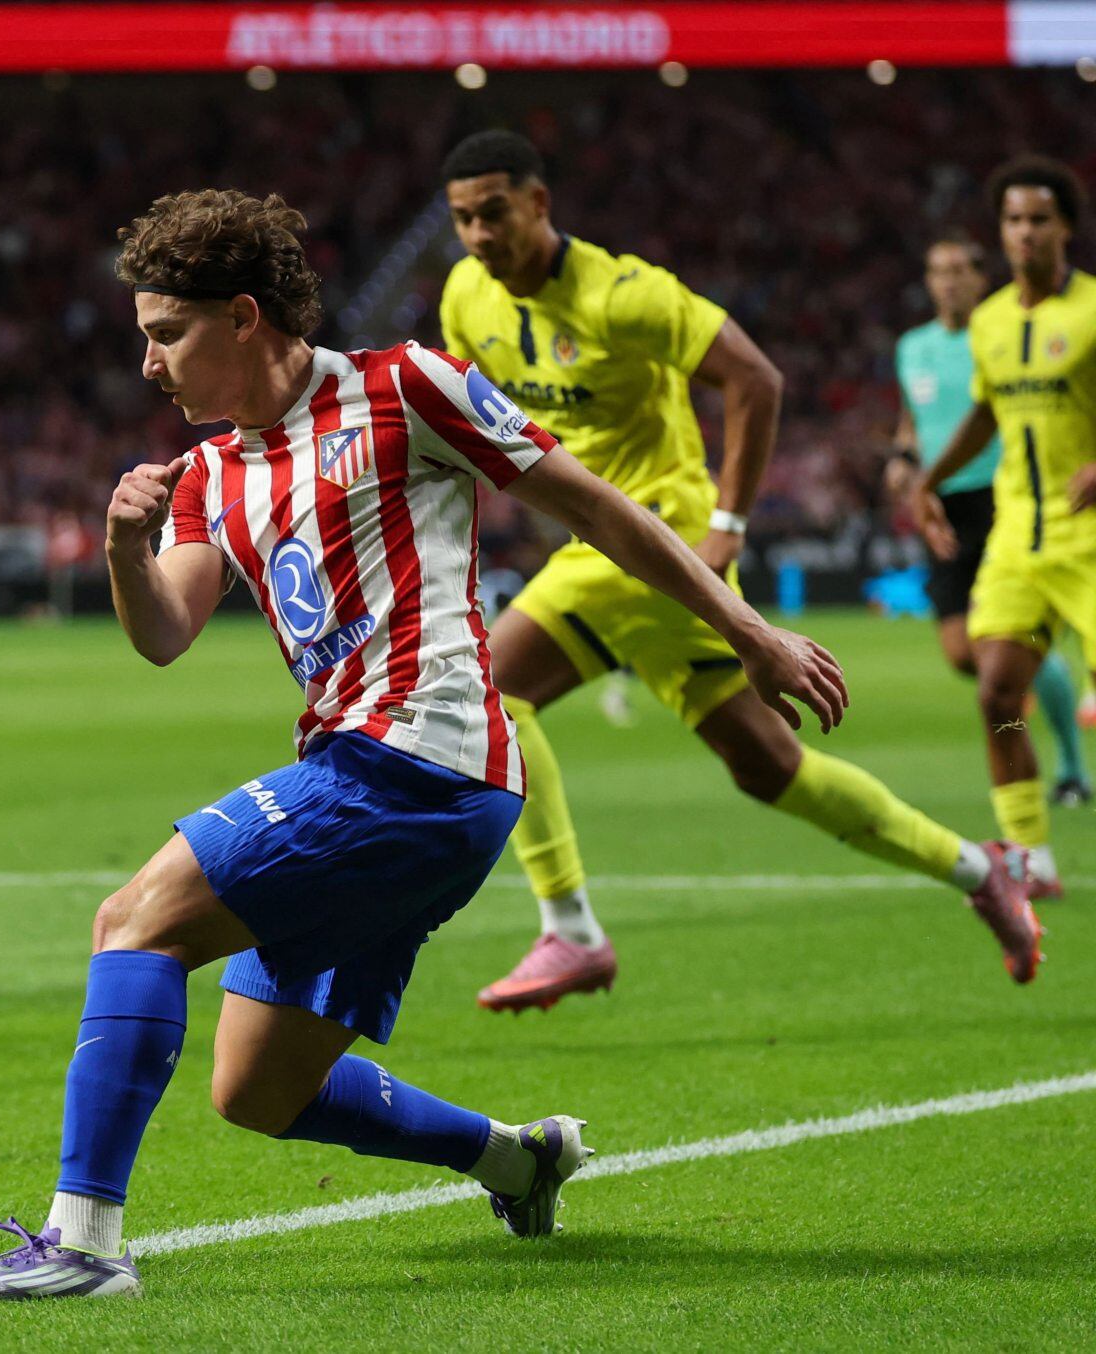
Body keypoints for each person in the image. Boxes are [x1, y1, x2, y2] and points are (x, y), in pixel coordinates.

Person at [0, 187, 966, 1302]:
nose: (147, 366)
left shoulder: (400, 386)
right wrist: (128, 548)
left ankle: (81, 1244)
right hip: (369, 777)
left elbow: (596, 507)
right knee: (255, 1092)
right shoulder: (211, 477)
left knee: (132, 920)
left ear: (241, 317)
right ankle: (515, 1157)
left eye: (164, 334)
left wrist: (745, 629)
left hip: (421, 757)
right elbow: (164, 633)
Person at [435, 131, 1040, 1014]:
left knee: (482, 691)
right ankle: (981, 870)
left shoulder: (624, 293)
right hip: (596, 552)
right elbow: (480, 412)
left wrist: (727, 525)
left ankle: (570, 928)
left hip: (661, 541)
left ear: (538, 204)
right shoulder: (464, 294)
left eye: (494, 212)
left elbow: (755, 377)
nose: (479, 234)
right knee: (769, 767)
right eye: (462, 219)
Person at [912, 154, 1096, 900]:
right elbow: (987, 411)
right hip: (1019, 534)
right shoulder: (988, 322)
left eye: (1039, 220)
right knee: (997, 694)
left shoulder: (1090, 310)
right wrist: (926, 480)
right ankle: (1030, 854)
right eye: (1014, 221)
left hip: (1089, 533)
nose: (1025, 233)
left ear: (1066, 229)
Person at [888, 232, 1089, 805]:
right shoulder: (913, 347)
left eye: (958, 271)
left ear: (981, 278)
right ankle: (1033, 674)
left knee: (1005, 650)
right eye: (937, 271)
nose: (947, 281)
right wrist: (905, 463)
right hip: (943, 503)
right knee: (961, 651)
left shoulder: (998, 331)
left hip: (1003, 498)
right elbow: (911, 420)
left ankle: (1071, 767)